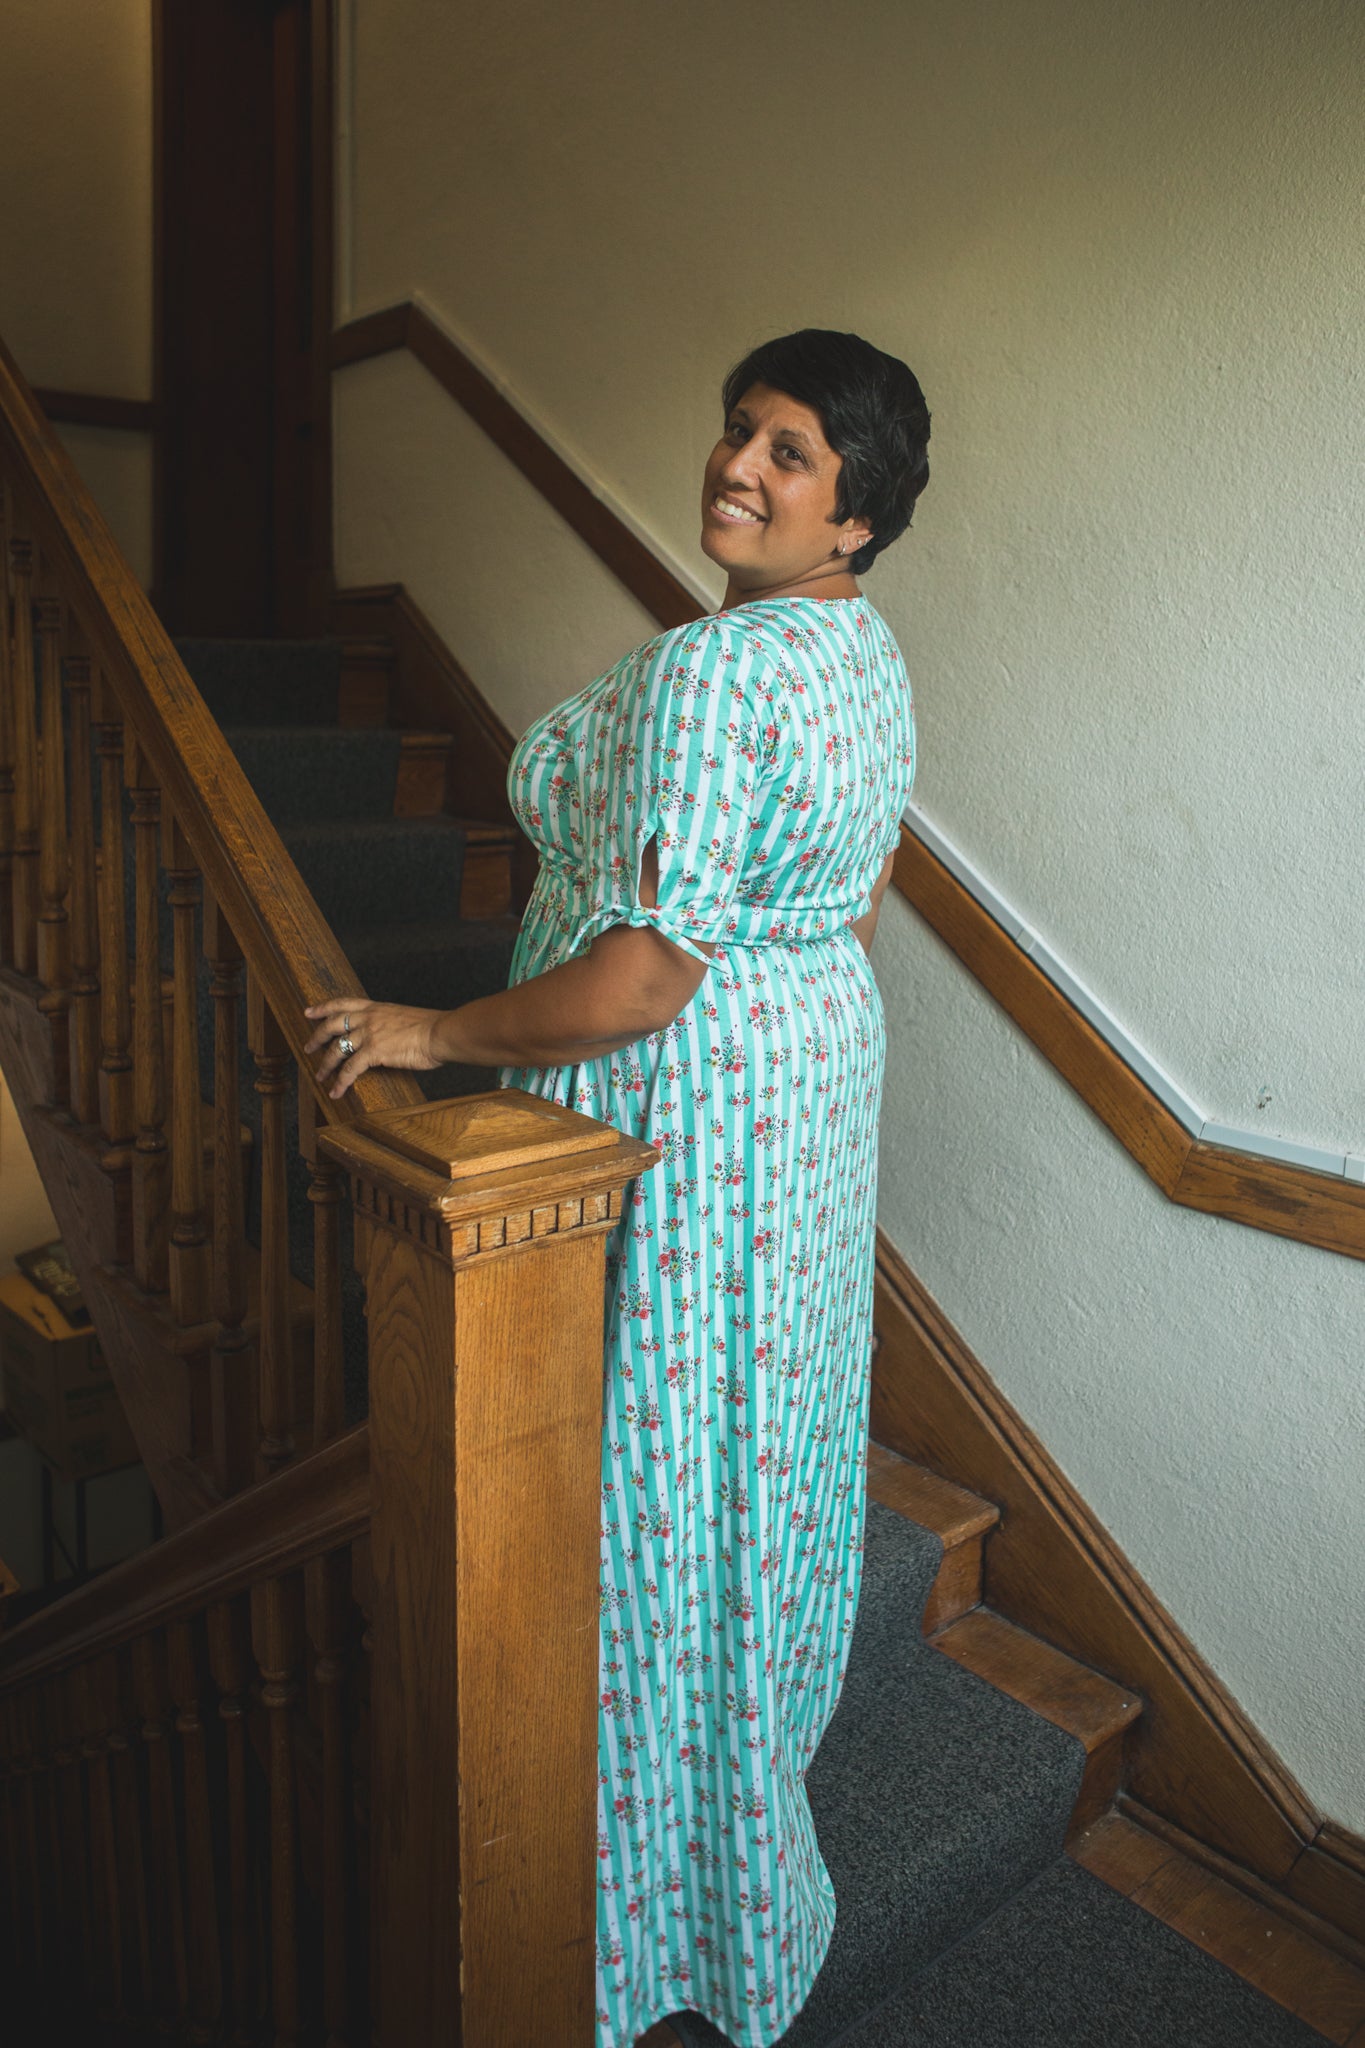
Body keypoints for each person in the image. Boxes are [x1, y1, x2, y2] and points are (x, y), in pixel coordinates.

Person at [305, 328, 930, 2048]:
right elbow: (852, 899)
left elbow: (649, 975)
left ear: (854, 511)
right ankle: (738, 1804)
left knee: (651, 1465)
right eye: (738, 430)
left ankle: (642, 1902)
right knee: (753, 1443)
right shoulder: (859, 657)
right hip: (805, 1078)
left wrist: (437, 1026)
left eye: (790, 451)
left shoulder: (731, 676)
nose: (740, 465)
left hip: (693, 1087)